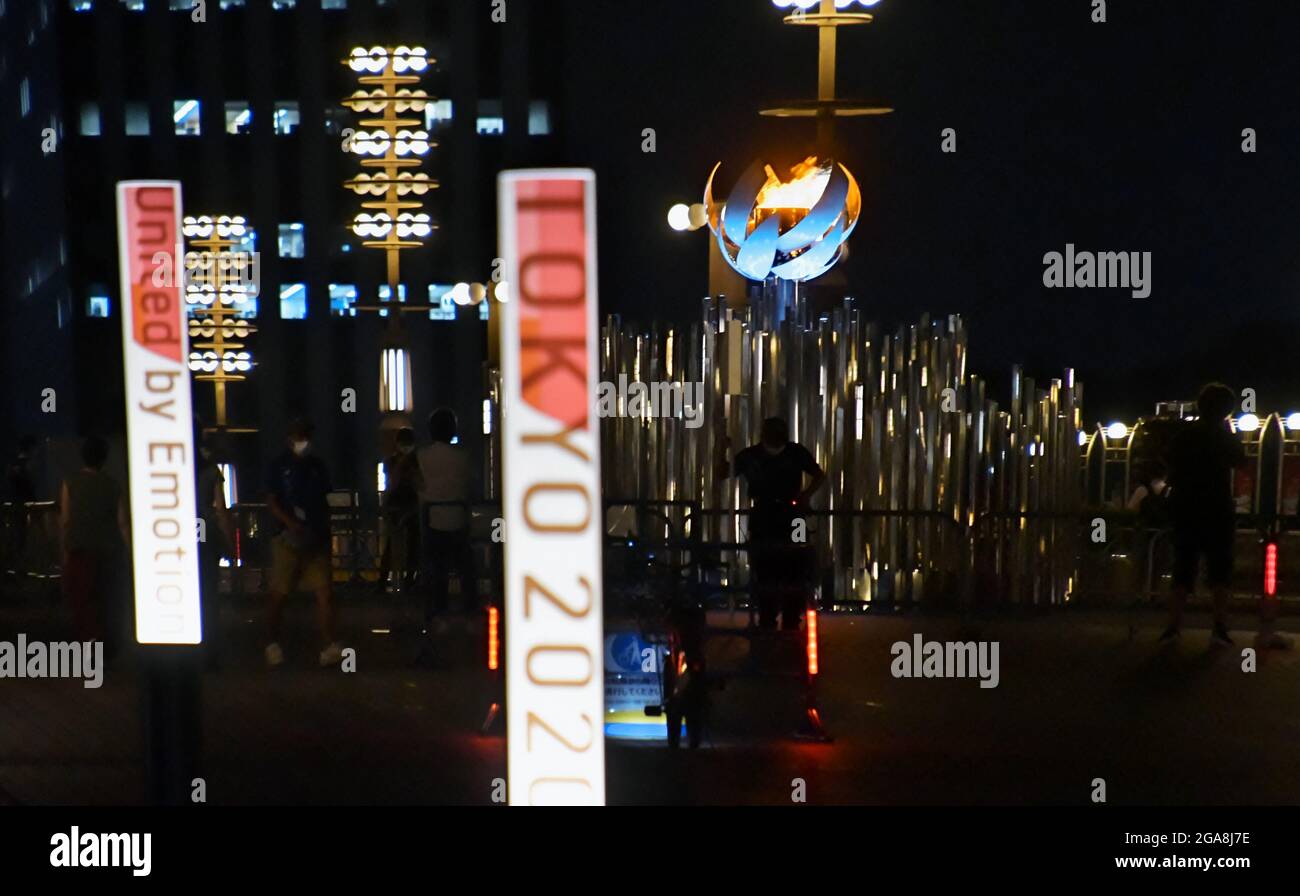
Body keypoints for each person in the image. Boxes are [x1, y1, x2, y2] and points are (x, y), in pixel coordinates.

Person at [719, 418, 827, 631]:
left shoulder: (785, 453)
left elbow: (819, 475)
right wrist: (720, 450)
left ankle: (788, 617)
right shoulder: (755, 455)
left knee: (794, 563)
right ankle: (771, 616)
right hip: (770, 512)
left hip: (788, 513)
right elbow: (722, 474)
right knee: (767, 564)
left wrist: (806, 495)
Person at [1162, 383, 1247, 645]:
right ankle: (1219, 627)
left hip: (1186, 507)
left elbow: (1169, 462)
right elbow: (1240, 461)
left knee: (1183, 567)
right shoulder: (1225, 438)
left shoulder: (1184, 436)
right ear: (1226, 410)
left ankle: (1173, 626)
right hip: (1217, 509)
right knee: (1220, 569)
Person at [264, 419, 342, 667]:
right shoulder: (279, 466)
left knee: (324, 593)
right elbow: (272, 501)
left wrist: (324, 529)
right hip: (287, 539)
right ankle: (272, 643)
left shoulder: (317, 466)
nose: (304, 442)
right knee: (280, 595)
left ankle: (329, 645)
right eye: (300, 436)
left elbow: (324, 500)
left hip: (315, 537)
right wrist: (290, 523)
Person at [59, 436, 130, 649]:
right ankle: (106, 646)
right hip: (108, 551)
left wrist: (63, 553)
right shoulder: (113, 485)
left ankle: (88, 647)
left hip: (79, 550)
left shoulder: (69, 483)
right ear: (104, 458)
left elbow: (65, 520)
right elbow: (122, 522)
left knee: (83, 603)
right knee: (105, 601)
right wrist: (128, 552)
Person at [417, 408, 478, 627]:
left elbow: (418, 487)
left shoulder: (422, 457)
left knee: (437, 567)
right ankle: (470, 606)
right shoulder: (463, 457)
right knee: (465, 567)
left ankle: (438, 607)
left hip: (432, 521)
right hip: (459, 519)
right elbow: (470, 484)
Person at [194, 423, 234, 669]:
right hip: (205, 533)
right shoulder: (210, 471)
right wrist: (228, 541)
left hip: (179, 535)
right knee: (209, 594)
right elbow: (221, 508)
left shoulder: (179, 468)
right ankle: (210, 651)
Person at [379, 427, 422, 595]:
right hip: (396, 507)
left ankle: (410, 579)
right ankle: (383, 581)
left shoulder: (417, 461)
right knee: (392, 547)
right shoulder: (391, 461)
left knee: (413, 543)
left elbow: (418, 482)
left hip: (411, 506)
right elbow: (393, 482)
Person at [4, 435, 38, 577]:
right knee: (21, 537)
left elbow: (10, 483)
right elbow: (28, 486)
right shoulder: (26, 464)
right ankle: (19, 568)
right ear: (30, 449)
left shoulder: (13, 464)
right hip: (23, 506)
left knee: (14, 537)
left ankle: (12, 568)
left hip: (14, 505)